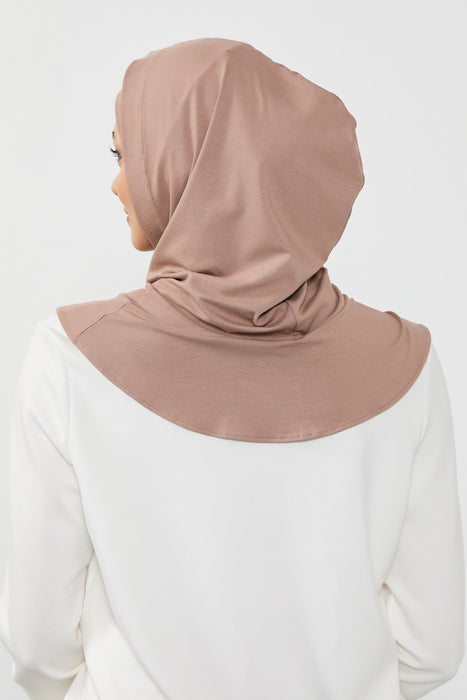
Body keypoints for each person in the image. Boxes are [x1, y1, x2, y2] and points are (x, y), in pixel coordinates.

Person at [0, 37, 464, 700]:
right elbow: (432, 647)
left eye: (123, 155)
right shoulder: (406, 362)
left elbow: (38, 642)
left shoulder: (69, 357)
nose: (116, 182)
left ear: (190, 163)